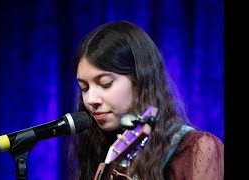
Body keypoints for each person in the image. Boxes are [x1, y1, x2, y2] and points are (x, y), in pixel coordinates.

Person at [66, 21, 224, 180]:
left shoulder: (197, 149)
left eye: (105, 84)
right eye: (84, 88)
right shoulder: (97, 149)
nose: (91, 99)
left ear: (139, 80)